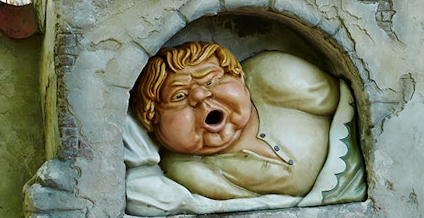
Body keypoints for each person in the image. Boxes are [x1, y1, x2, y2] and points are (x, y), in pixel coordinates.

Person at [129, 41, 365, 204]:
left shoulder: (273, 76)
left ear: (239, 77)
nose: (200, 96)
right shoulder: (186, 170)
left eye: (211, 82)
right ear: (151, 119)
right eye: (179, 96)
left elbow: (351, 103)